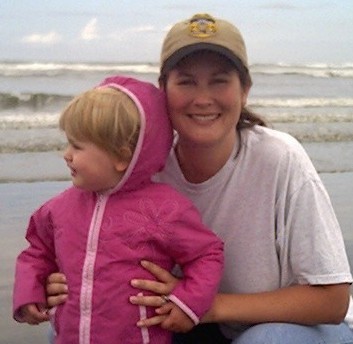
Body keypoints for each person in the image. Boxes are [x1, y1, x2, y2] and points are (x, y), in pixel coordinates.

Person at [45, 13, 353, 343]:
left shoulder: (280, 158)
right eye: (186, 82)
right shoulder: (140, 166)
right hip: (191, 326)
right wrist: (58, 282)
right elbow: (85, 246)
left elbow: (333, 300)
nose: (203, 99)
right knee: (65, 329)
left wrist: (208, 305)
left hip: (291, 328)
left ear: (245, 90)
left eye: (219, 80)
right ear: (162, 90)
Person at [12, 76, 224, 344]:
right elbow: (37, 252)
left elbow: (206, 254)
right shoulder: (60, 208)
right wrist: (30, 292)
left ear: (122, 157)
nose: (66, 154)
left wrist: (187, 302)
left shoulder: (164, 209)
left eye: (77, 146)